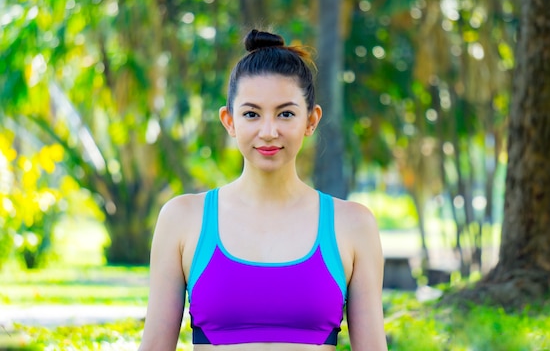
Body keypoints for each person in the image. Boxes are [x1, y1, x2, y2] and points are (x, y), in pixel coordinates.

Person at [138, 29, 387, 351]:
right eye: (251, 114)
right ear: (229, 121)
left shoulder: (353, 225)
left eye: (286, 114)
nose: (268, 132)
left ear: (311, 120)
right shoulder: (183, 219)